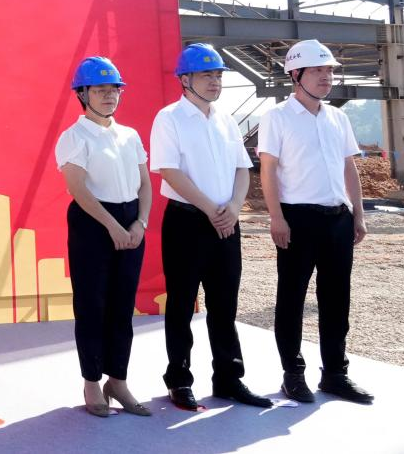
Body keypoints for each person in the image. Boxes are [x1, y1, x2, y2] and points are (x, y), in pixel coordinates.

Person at [150, 44, 272, 410]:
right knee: (181, 304)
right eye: (207, 75)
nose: (215, 81)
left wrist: (233, 209)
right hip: (187, 221)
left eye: (218, 75)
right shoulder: (169, 118)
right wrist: (210, 210)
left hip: (226, 223)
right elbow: (169, 171)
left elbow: (241, 169)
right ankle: (179, 379)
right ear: (185, 79)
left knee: (225, 304)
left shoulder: (226, 120)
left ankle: (229, 379)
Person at [258, 39, 374, 405]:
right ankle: (293, 375)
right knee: (292, 298)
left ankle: (335, 374)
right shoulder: (277, 117)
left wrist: (358, 214)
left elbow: (348, 167)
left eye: (329, 71)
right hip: (298, 219)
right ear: (296, 75)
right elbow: (268, 171)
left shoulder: (337, 118)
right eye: (318, 70)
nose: (326, 77)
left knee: (337, 299)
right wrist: (276, 217)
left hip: (338, 218)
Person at [55, 56, 153, 418]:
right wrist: (111, 226)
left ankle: (118, 380)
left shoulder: (129, 135)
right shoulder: (74, 137)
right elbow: (78, 189)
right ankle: (92, 381)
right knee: (92, 305)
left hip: (131, 221)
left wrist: (140, 223)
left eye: (115, 89)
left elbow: (145, 184)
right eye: (100, 90)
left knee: (122, 306)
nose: (110, 95)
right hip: (93, 223)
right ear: (83, 94)